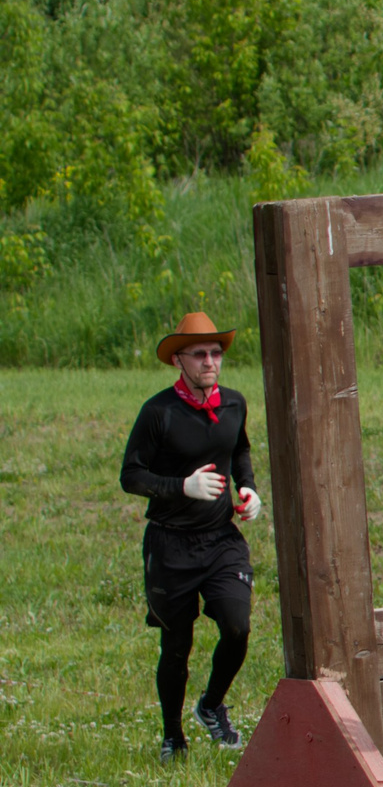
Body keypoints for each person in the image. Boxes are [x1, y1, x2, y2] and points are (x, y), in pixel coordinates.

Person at [121, 311, 263, 762]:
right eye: (199, 354)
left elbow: (238, 448)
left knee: (237, 627)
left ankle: (211, 705)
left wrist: (248, 488)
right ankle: (172, 736)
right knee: (176, 644)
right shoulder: (158, 412)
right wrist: (181, 486)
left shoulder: (234, 403)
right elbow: (131, 475)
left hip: (220, 539)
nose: (210, 361)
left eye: (216, 353)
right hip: (170, 544)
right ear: (178, 360)